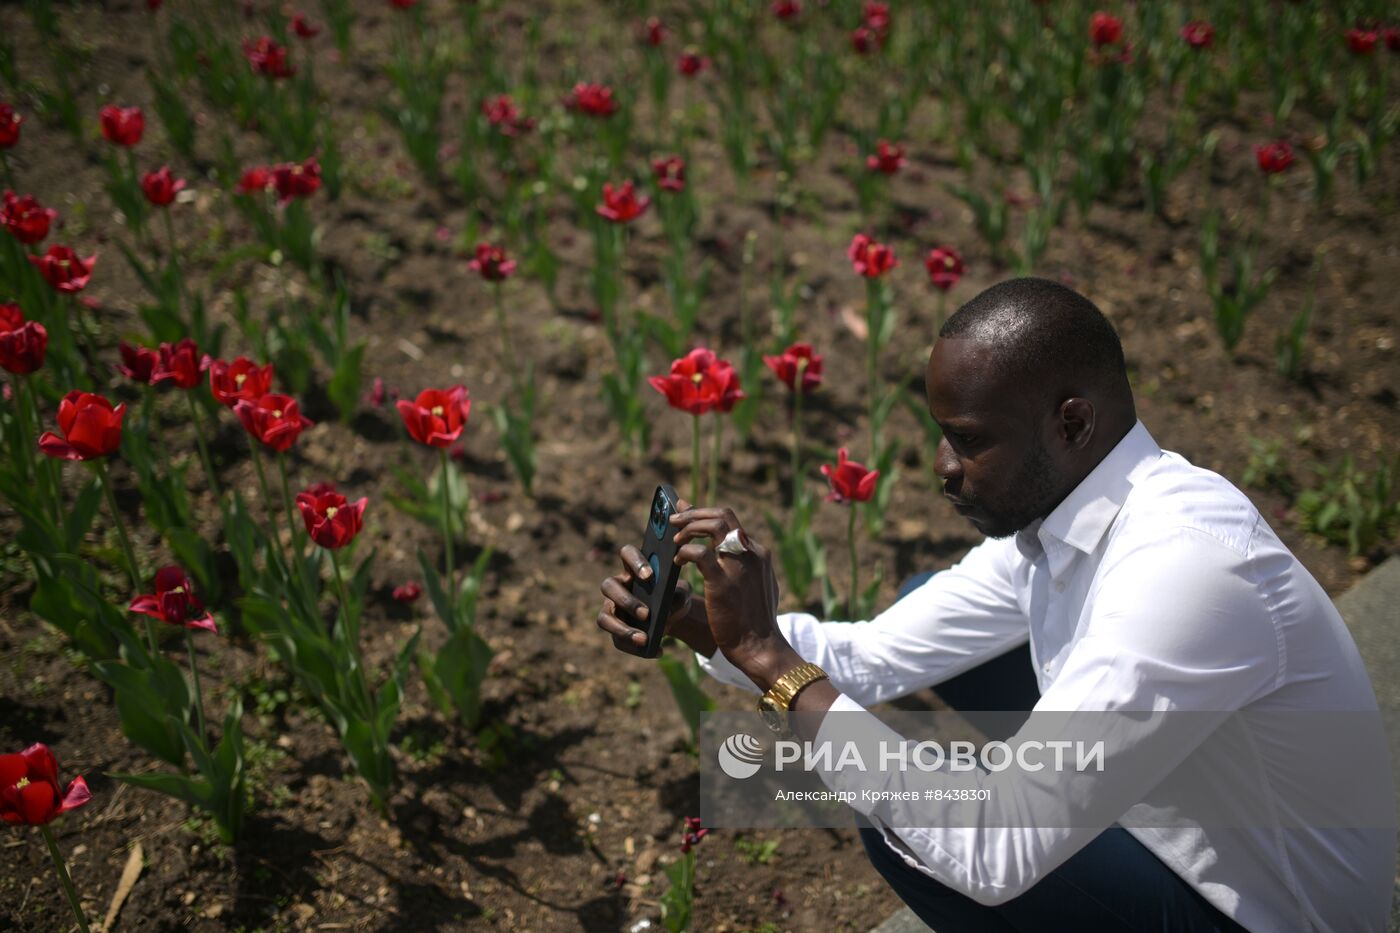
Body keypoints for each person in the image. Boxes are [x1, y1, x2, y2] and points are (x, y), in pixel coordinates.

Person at [596, 278, 1396, 932]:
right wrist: (711, 626)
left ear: (1072, 422)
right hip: (1172, 824)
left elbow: (991, 849)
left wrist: (776, 665)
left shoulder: (1188, 574)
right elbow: (875, 656)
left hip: (1267, 913)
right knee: (916, 687)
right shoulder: (1068, 518)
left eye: (971, 439)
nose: (943, 466)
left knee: (912, 827)